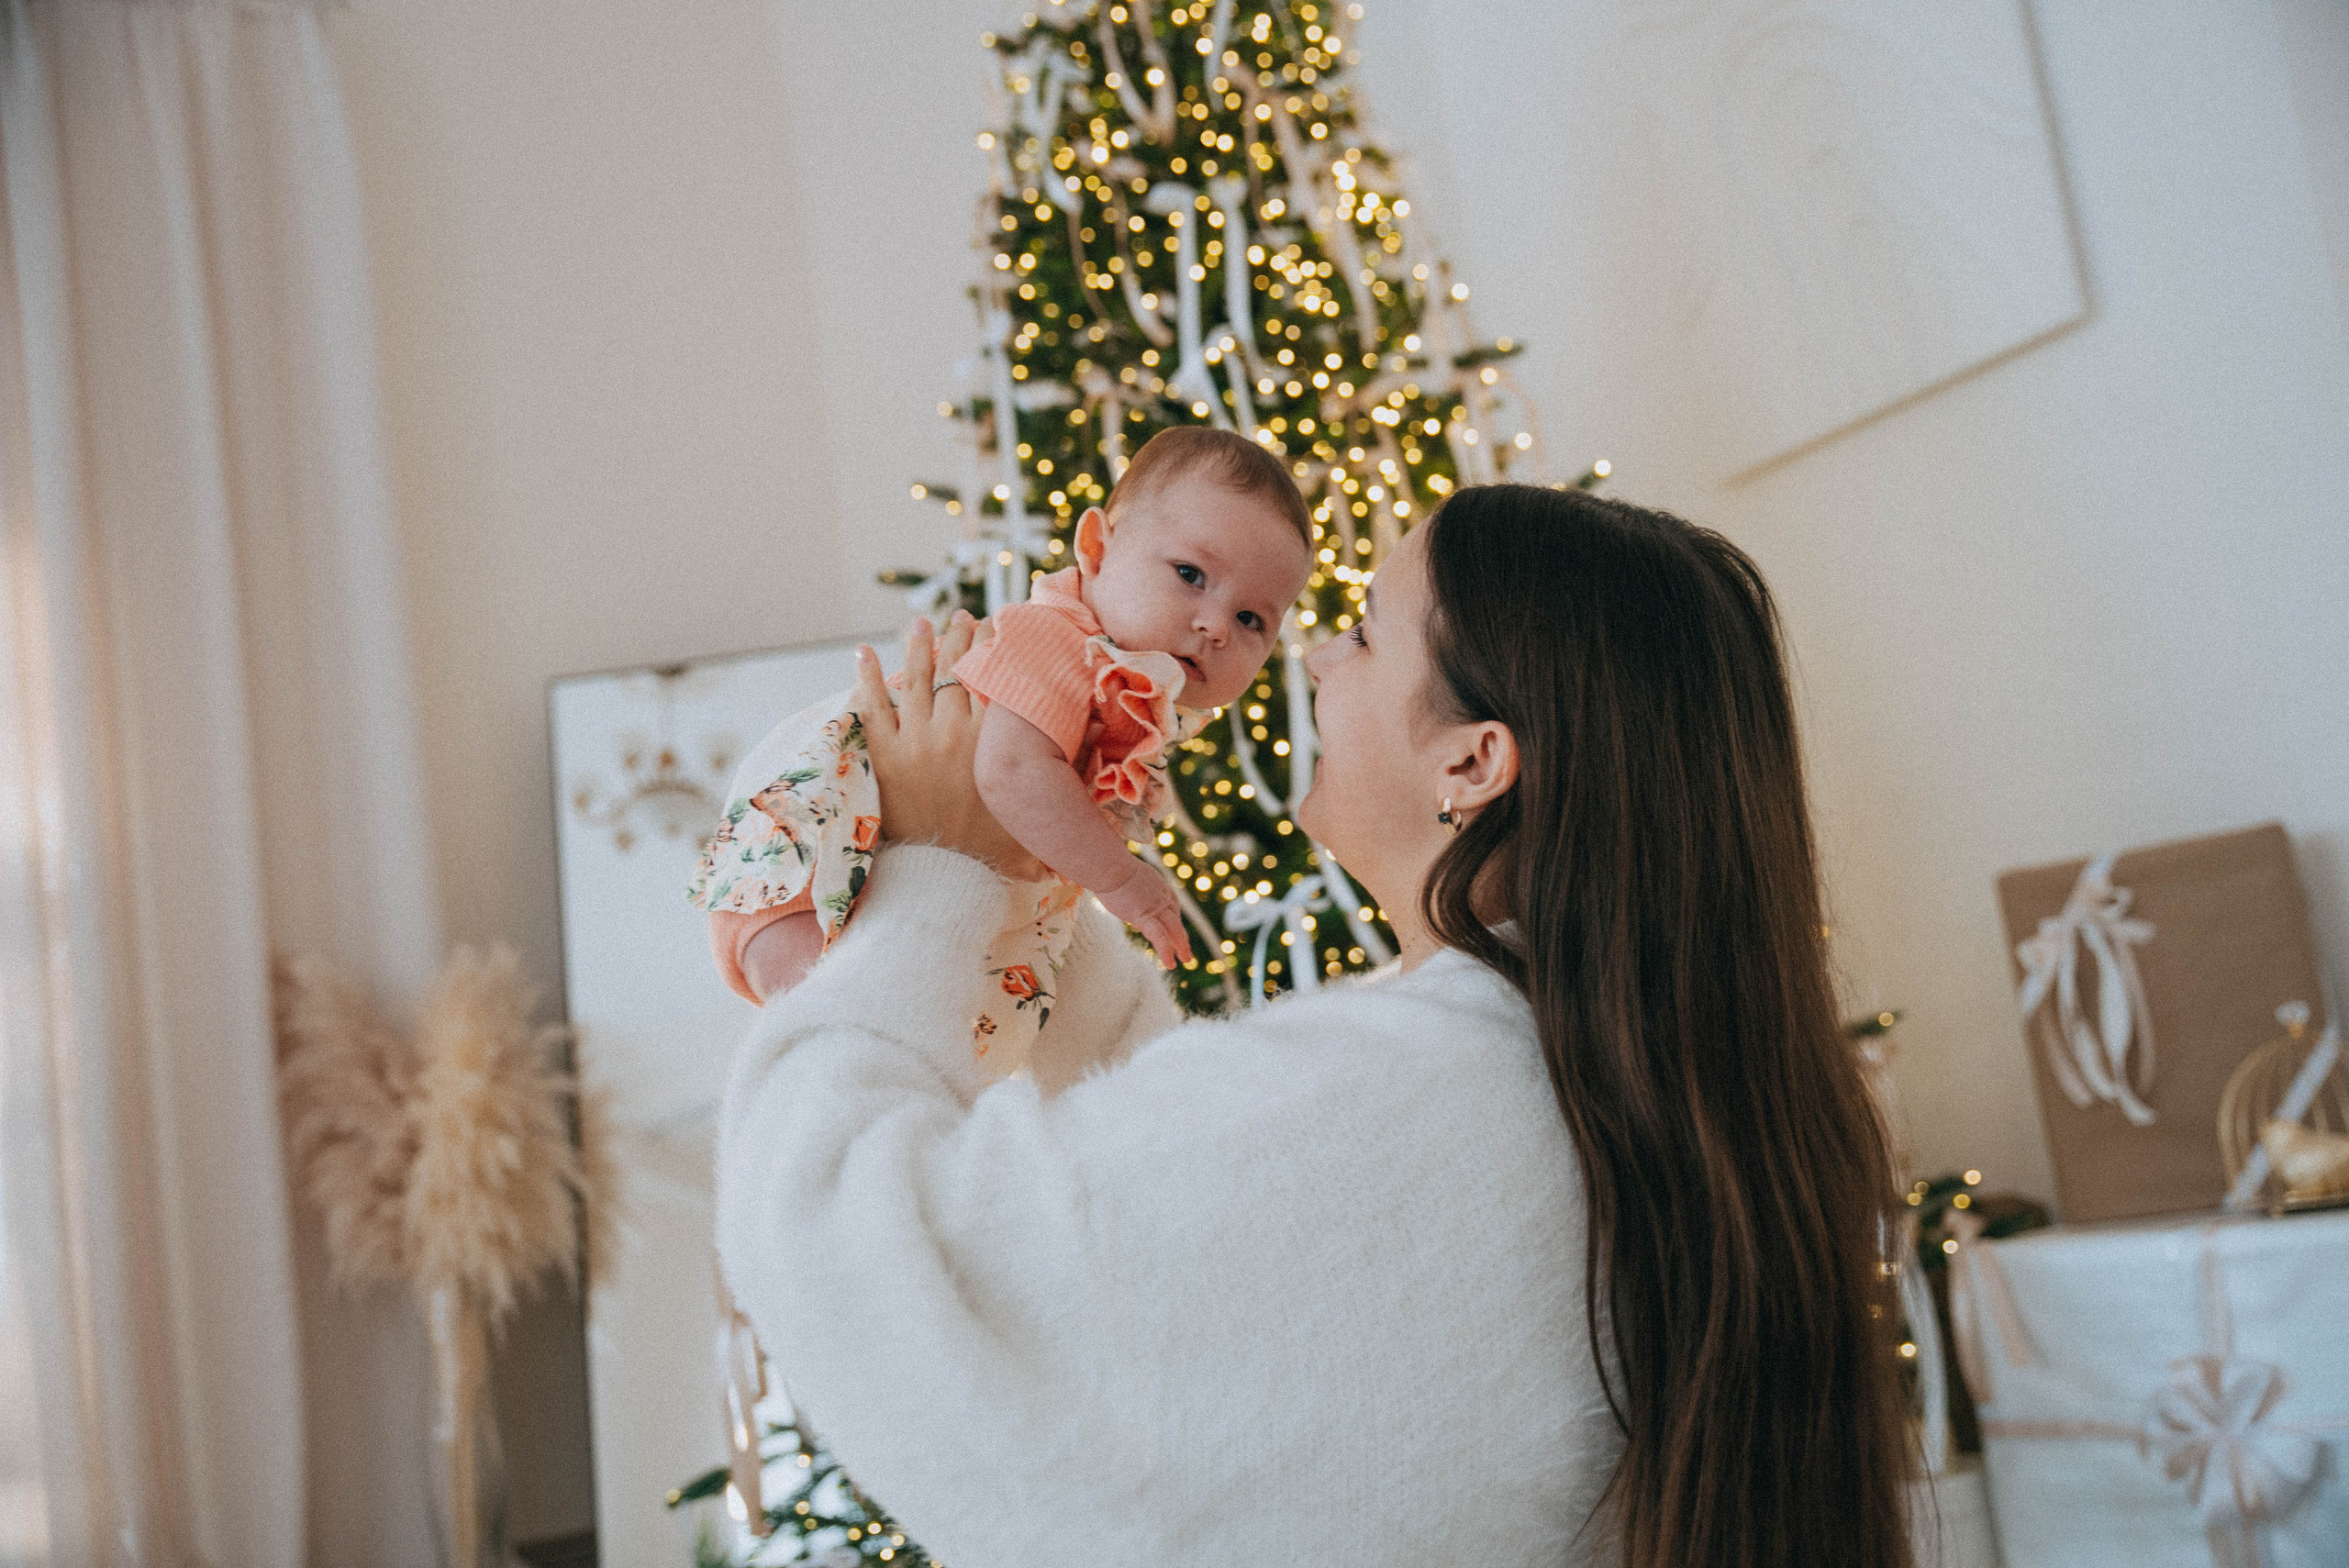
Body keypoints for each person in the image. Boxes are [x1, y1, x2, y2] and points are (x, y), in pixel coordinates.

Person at [714, 484, 1914, 1568]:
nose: (1317, 661)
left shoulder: (1420, 1088)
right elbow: (1202, 1192)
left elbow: (837, 1237)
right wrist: (1030, 902)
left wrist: (934, 874)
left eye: (1364, 632)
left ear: (1473, 761)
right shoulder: (1622, 1080)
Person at [689, 427, 1311, 1070]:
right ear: (1097, 549)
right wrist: (1122, 878)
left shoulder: (1128, 689)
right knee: (838, 1027)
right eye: (1190, 574)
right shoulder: (1056, 638)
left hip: (890, 878)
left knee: (911, 1031)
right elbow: (1012, 771)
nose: (1215, 625)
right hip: (817, 849)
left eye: (1252, 619)